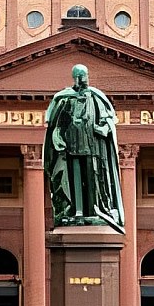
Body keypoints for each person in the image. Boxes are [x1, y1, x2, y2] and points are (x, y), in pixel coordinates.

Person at [43, 64, 124, 231]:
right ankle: (77, 211)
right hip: (72, 146)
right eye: (78, 77)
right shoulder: (65, 98)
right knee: (74, 179)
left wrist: (104, 128)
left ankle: (94, 210)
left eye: (83, 76)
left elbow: (109, 118)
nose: (81, 80)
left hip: (93, 147)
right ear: (74, 78)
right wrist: (57, 136)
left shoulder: (96, 96)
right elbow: (57, 122)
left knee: (93, 178)